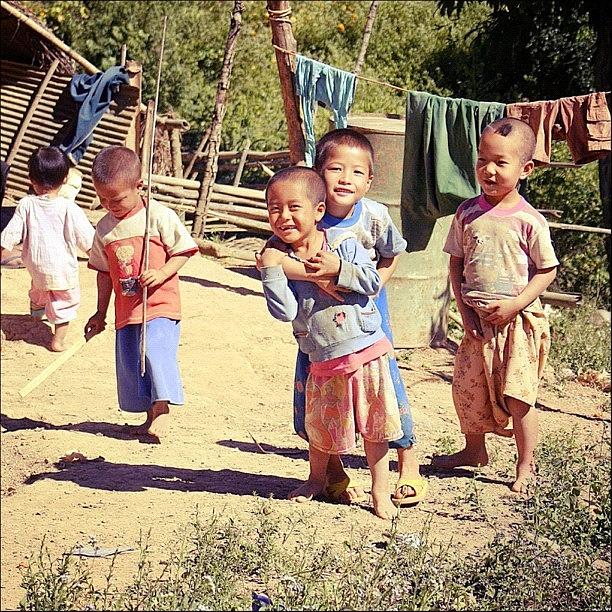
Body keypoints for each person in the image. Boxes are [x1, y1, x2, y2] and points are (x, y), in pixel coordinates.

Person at [258, 129, 427, 507]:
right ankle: (329, 472)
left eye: (355, 172)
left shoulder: (371, 218)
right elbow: (276, 266)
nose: (344, 179)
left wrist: (356, 283)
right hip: (315, 328)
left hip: (366, 317)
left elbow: (390, 255)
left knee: (382, 395)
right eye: (335, 169)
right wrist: (310, 274)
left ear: (369, 179)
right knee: (317, 396)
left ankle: (407, 463)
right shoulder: (294, 221)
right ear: (318, 174)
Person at [432, 117, 559, 493]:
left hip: (518, 322)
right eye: (483, 159)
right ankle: (474, 451)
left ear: (525, 169)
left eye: (500, 162)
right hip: (477, 323)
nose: (489, 169)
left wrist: (516, 304)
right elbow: (456, 262)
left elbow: (547, 271)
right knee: (468, 388)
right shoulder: (467, 213)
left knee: (519, 395)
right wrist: (464, 309)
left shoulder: (529, 220)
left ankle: (525, 464)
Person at [83, 146, 198, 441]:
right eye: (103, 199)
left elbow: (183, 251)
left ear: (139, 185)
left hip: (160, 304)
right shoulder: (105, 229)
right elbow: (104, 273)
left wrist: (161, 273)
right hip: (127, 310)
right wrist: (100, 312)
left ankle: (162, 411)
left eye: (117, 198)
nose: (110, 205)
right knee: (135, 363)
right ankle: (150, 418)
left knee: (154, 352)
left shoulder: (158, 216)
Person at [0, 147, 94, 352]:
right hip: (63, 271)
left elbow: (10, 235)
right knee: (65, 302)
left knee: (38, 291)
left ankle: (35, 319)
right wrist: (97, 257)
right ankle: (57, 340)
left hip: (35, 266)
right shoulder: (69, 208)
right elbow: (88, 239)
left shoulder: (26, 204)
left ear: (30, 179)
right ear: (66, 178)